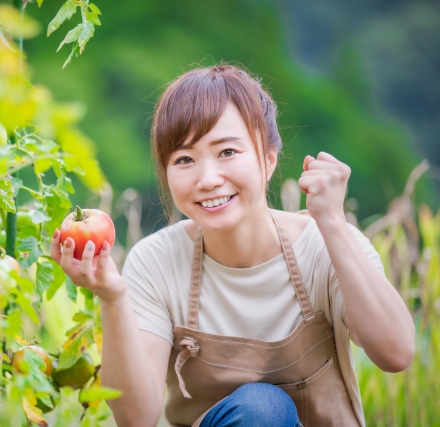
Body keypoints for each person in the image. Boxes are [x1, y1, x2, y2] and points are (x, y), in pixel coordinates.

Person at [49, 64, 415, 427]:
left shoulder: (326, 246)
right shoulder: (156, 260)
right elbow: (137, 418)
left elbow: (396, 353)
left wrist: (333, 223)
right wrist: (113, 299)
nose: (208, 180)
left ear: (269, 160)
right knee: (262, 410)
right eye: (184, 160)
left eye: (227, 152)